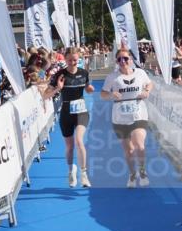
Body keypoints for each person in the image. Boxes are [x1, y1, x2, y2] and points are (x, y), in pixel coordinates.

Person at [101, 50, 153, 188]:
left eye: (125, 58)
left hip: (139, 115)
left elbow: (149, 83)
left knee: (139, 145)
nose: (122, 61)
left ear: (131, 59)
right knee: (128, 150)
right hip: (120, 118)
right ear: (116, 62)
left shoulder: (140, 73)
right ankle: (132, 174)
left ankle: (142, 172)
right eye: (119, 59)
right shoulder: (112, 77)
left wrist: (147, 91)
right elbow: (103, 94)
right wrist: (112, 94)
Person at [44, 47, 94, 187]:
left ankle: (84, 174)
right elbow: (45, 95)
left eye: (75, 60)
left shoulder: (84, 73)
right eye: (70, 60)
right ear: (65, 59)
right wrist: (58, 88)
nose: (73, 63)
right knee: (69, 146)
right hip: (66, 112)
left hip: (81, 111)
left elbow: (88, 88)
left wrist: (89, 89)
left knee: (79, 141)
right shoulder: (60, 74)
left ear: (79, 59)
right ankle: (71, 170)